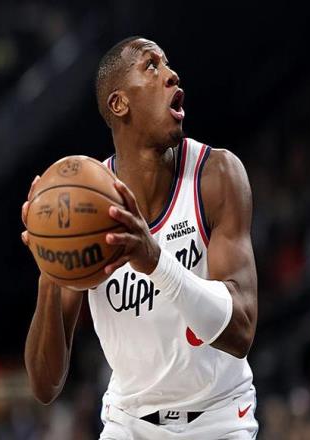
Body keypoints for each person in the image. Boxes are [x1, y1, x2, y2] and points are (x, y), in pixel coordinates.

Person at [22, 36, 259, 439]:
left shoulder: (215, 175)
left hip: (219, 418)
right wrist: (50, 269)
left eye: (167, 64)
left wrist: (156, 262)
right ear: (119, 104)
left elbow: (241, 332)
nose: (171, 74)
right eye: (151, 66)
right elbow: (45, 386)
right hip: (128, 423)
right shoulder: (84, 207)